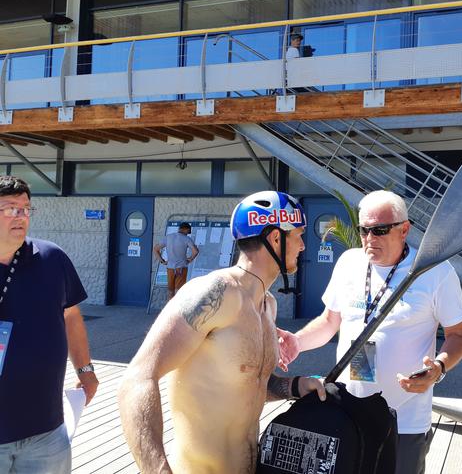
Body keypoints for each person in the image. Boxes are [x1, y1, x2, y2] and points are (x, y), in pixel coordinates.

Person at [118, 191, 326, 474]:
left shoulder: (268, 305)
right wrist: (156, 470)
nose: (303, 246)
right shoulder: (214, 293)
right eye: (299, 235)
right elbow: (138, 378)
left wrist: (293, 386)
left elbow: (246, 382)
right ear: (276, 238)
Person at [278, 190, 462, 474]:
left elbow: (459, 335)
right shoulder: (349, 263)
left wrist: (438, 368)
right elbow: (330, 322)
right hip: (347, 410)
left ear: (404, 229)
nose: (370, 239)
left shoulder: (435, 272)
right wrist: (298, 341)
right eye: (364, 230)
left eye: (379, 230)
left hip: (404, 418)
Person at [0, 176, 98, 474]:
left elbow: (71, 317)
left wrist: (85, 369)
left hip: (47, 429)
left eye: (26, 208)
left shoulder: (52, 258)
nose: (21, 216)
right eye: (11, 208)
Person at [154, 221, 199, 301]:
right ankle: (178, 312)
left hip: (170, 268)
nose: (188, 234)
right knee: (179, 292)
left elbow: (156, 249)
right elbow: (195, 251)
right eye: (188, 232)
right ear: (186, 229)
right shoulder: (186, 239)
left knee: (170, 291)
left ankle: (169, 311)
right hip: (181, 268)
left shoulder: (168, 237)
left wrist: (162, 261)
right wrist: (190, 259)